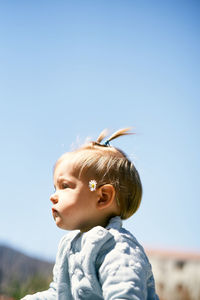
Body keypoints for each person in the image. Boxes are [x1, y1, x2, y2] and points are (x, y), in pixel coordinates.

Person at [22, 128, 159, 300]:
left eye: (65, 186)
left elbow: (125, 293)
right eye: (54, 188)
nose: (53, 196)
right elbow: (58, 294)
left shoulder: (116, 246)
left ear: (102, 197)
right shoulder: (69, 245)